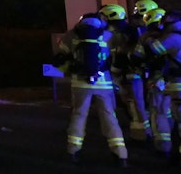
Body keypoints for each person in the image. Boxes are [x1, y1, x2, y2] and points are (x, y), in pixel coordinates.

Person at [52, 12, 128, 166]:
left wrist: (69, 69)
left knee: (79, 115)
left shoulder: (70, 36)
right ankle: (120, 154)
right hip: (104, 83)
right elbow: (119, 54)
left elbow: (59, 59)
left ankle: (73, 150)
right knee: (109, 117)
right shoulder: (107, 35)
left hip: (80, 84)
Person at [99, 3, 150, 142]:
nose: (101, 20)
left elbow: (122, 53)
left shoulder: (125, 33)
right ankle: (139, 133)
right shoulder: (121, 32)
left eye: (103, 16)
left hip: (130, 73)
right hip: (122, 73)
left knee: (136, 104)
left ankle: (145, 134)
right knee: (130, 104)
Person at [133, 8, 172, 157]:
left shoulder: (146, 37)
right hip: (174, 79)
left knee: (158, 111)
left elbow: (137, 57)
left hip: (156, 79)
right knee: (170, 111)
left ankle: (163, 147)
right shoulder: (171, 35)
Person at [146, 9, 181, 164]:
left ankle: (169, 151)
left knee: (171, 115)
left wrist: (147, 39)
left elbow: (155, 49)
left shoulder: (173, 38)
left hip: (176, 83)